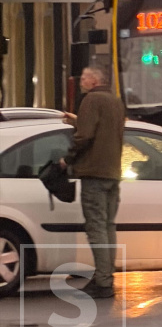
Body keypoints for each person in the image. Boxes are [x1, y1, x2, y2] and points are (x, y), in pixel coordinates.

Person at [59, 66, 125, 299]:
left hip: (94, 172)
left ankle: (103, 281)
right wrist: (78, 120)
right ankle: (105, 276)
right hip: (112, 173)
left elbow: (85, 136)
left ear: (95, 80)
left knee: (96, 227)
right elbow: (103, 130)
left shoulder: (90, 100)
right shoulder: (115, 101)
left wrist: (67, 159)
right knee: (108, 226)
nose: (81, 81)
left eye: (85, 77)